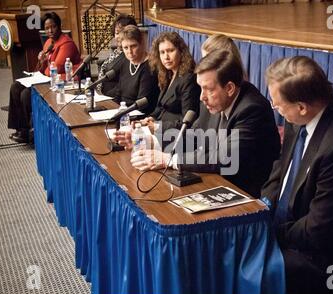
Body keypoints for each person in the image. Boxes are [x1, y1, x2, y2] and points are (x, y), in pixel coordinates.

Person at [261, 56, 333, 294]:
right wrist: (261, 207)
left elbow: (319, 229)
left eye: (277, 105)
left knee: (247, 266)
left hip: (327, 258)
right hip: (291, 228)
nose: (275, 108)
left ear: (301, 106)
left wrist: (271, 234)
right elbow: (281, 169)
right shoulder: (299, 116)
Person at [129, 49, 281, 198]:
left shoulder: (252, 109)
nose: (202, 97)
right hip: (217, 181)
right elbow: (195, 136)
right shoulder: (214, 100)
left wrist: (168, 160)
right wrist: (151, 141)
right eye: (200, 88)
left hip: (246, 194)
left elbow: (225, 158)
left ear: (229, 88)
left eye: (208, 89)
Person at [8, 12, 81, 143]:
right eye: (47, 28)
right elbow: (42, 69)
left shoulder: (66, 44)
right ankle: (20, 129)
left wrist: (45, 64)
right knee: (15, 87)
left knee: (26, 94)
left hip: (61, 80)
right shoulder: (48, 42)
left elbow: (56, 68)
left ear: (59, 26)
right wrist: (41, 61)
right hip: (46, 77)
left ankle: (30, 131)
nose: (50, 31)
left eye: (53, 27)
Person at [140, 32, 200, 138]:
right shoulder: (167, 74)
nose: (166, 57)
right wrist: (151, 119)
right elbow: (161, 107)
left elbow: (187, 122)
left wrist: (158, 127)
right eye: (162, 52)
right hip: (160, 133)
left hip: (176, 138)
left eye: (170, 51)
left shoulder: (188, 79)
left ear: (181, 52)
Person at [106, 25, 158, 115]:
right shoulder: (126, 61)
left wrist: (121, 114)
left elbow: (142, 104)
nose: (129, 51)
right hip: (124, 112)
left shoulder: (149, 66)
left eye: (133, 46)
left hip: (139, 115)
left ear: (142, 43)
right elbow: (119, 92)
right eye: (125, 48)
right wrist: (111, 111)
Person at [96, 14, 137, 96]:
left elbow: (124, 85)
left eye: (123, 32)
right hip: (103, 95)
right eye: (117, 33)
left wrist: (105, 97)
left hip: (114, 99)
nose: (119, 36)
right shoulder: (116, 52)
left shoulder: (130, 55)